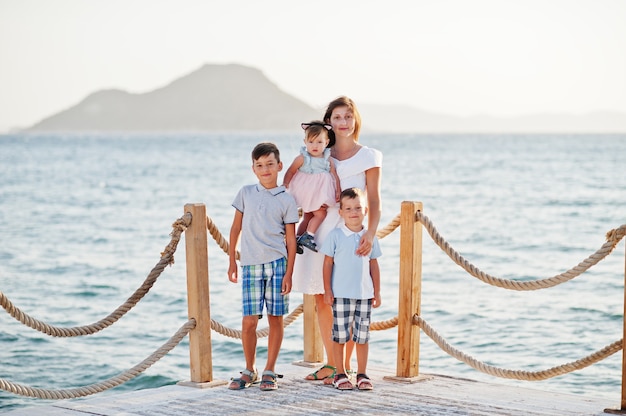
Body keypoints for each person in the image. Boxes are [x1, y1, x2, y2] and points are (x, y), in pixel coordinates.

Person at [292, 96, 383, 384]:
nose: (343, 123)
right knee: (321, 297)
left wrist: (370, 233)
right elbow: (300, 182)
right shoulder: (320, 152)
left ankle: (347, 366)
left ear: (355, 120)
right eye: (337, 117)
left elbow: (375, 201)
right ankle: (332, 365)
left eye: (348, 117)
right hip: (320, 229)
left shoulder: (369, 156)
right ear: (328, 121)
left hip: (351, 233)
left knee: (352, 297)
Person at [227, 142, 299, 391]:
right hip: (250, 266)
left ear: (279, 166)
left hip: (278, 265)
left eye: (270, 164)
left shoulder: (287, 200)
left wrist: (290, 272)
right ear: (253, 169)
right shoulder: (246, 193)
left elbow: (291, 239)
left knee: (275, 318)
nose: (265, 169)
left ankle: (270, 369)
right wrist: (231, 261)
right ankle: (249, 369)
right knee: (249, 321)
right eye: (260, 165)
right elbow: (235, 228)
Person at [322, 187, 382, 390]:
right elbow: (327, 264)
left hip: (364, 295)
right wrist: (327, 290)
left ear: (365, 210)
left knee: (362, 337)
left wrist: (377, 291)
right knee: (340, 336)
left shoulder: (370, 237)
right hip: (340, 295)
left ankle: (363, 374)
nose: (353, 212)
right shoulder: (336, 235)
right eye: (348, 208)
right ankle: (340, 373)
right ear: (341, 212)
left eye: (358, 208)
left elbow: (374, 265)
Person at [283, 121, 341, 253]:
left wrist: (338, 190)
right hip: (306, 192)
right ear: (305, 142)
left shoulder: (328, 159)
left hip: (318, 193)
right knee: (320, 214)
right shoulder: (302, 158)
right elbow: (291, 171)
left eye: (319, 142)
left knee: (308, 216)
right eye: (311, 142)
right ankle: (308, 235)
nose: (315, 146)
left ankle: (297, 238)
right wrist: (286, 183)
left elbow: (334, 176)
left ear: (326, 142)